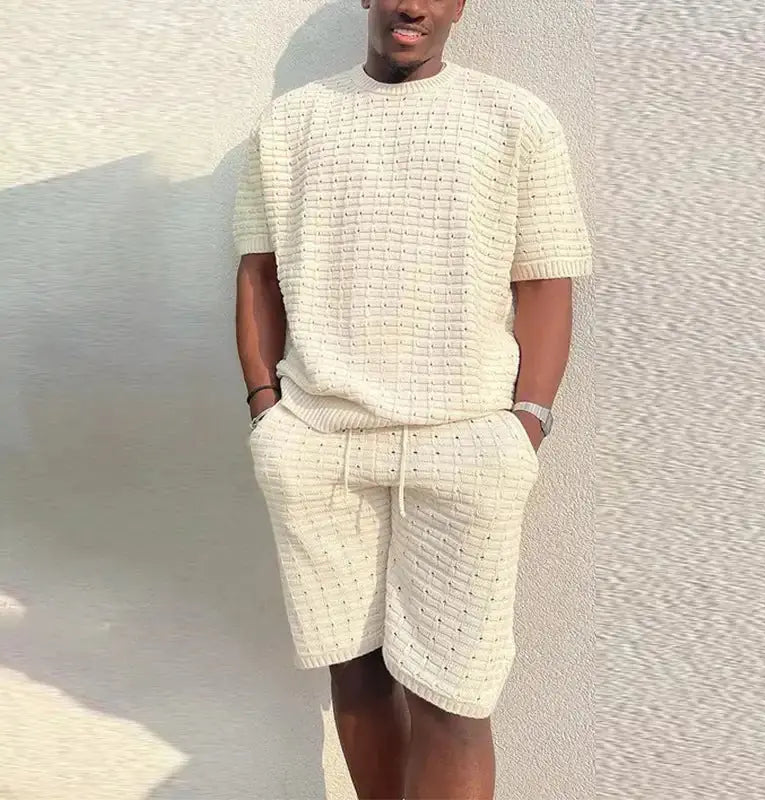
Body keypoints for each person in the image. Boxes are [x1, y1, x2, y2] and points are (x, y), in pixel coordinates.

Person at [234, 1, 591, 797]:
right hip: (319, 440)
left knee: (455, 698)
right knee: (356, 674)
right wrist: (267, 411)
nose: (413, 5)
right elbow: (259, 273)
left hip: (465, 442)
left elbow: (545, 279)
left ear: (460, 5)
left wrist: (526, 423)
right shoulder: (291, 122)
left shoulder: (514, 118)